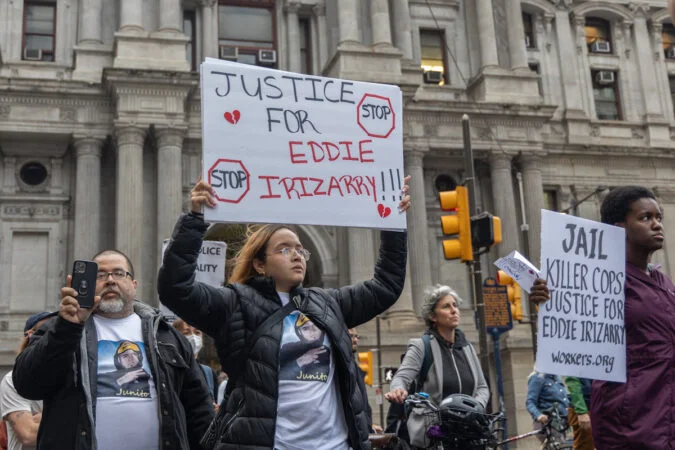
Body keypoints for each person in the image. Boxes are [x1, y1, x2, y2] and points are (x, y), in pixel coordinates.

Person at [158, 178, 410, 449]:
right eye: (284, 249)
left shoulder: (328, 304)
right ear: (260, 264)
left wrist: (393, 225)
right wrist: (195, 219)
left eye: (300, 250)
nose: (297, 255)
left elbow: (385, 286)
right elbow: (175, 289)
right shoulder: (235, 304)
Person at [12, 250, 214, 450]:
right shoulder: (60, 327)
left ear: (134, 285)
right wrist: (67, 328)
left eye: (119, 273)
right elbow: (28, 384)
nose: (110, 280)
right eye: (100, 275)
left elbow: (199, 410)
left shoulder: (165, 335)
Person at [588, 185, 675, 449]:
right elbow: (574, 319)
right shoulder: (600, 280)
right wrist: (546, 297)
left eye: (658, 217)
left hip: (666, 419)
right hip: (629, 426)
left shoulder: (664, 282)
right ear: (619, 228)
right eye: (645, 218)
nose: (657, 224)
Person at [385, 285, 489, 409]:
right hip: (434, 424)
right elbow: (401, 377)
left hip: (467, 424)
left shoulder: (467, 348)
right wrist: (398, 389)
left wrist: (476, 407)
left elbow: (482, 387)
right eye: (446, 306)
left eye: (455, 305)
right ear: (432, 316)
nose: (453, 310)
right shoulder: (421, 346)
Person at [0, 312, 56, 450]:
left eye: (57, 328)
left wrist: (46, 418)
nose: (54, 334)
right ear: (30, 335)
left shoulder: (75, 376)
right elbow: (28, 435)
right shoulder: (12, 380)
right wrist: (66, 416)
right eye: (45, 329)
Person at [172, 318, 218, 402]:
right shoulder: (170, 370)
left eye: (197, 333)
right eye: (186, 333)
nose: (193, 337)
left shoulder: (208, 373)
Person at [349, 328, 383, 434]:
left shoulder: (354, 366)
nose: (355, 340)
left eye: (356, 336)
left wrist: (369, 427)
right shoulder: (345, 367)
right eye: (351, 336)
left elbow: (363, 405)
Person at [526, 371, 569, 444]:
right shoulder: (537, 378)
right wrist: (538, 415)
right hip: (547, 423)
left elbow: (563, 399)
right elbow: (530, 402)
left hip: (561, 423)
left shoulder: (557, 377)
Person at [564, 376, 593, 450]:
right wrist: (581, 411)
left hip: (600, 403)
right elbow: (572, 380)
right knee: (585, 447)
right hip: (585, 406)